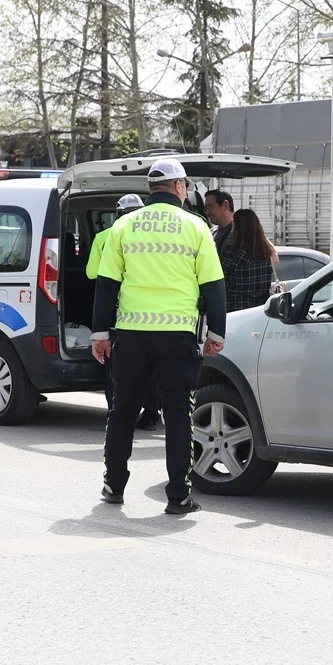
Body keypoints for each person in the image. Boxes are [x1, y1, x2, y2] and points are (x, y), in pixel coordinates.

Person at [90, 158, 227, 515]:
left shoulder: (125, 226)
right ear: (180, 187)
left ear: (151, 189)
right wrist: (216, 333)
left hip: (131, 335)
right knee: (179, 414)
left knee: (122, 410)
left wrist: (100, 334)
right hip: (177, 336)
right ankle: (178, 496)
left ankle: (113, 485)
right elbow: (214, 285)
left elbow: (106, 287)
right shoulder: (195, 226)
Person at [85, 193, 162, 431]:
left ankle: (115, 413)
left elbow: (91, 273)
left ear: (117, 215)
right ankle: (151, 414)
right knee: (151, 368)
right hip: (152, 313)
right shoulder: (155, 237)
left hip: (118, 314)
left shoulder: (103, 237)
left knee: (115, 368)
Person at [220, 208, 280, 312]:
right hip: (260, 310)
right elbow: (276, 259)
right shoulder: (266, 253)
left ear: (237, 227)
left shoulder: (231, 253)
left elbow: (219, 277)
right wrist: (260, 235)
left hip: (235, 309)